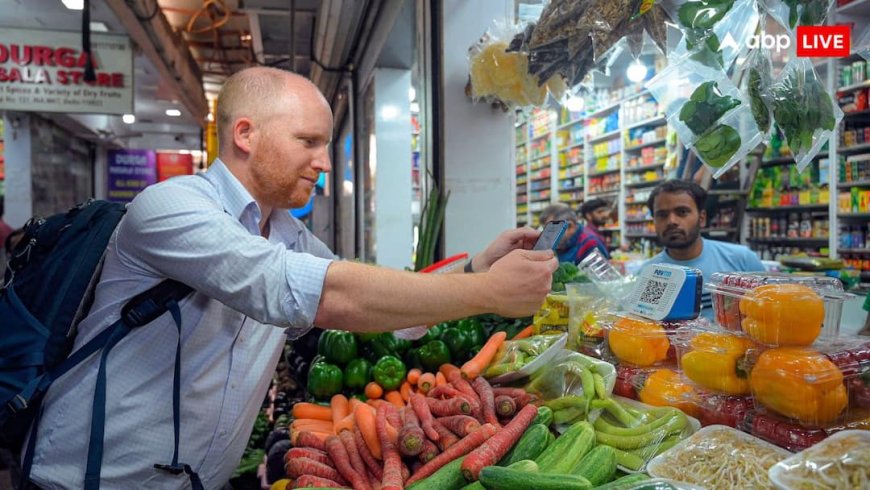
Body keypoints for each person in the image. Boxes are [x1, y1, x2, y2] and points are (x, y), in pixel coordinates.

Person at [24, 67, 558, 488]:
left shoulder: (284, 232)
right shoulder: (170, 207)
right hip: (93, 481)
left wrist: (474, 268)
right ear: (245, 134)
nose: (324, 162)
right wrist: (486, 293)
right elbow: (321, 293)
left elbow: (383, 314)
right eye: (308, 141)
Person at [644, 180, 764, 317]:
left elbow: (768, 312)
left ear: (702, 218)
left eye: (682, 212)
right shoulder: (646, 275)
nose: (672, 221)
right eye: (662, 215)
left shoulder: (742, 260)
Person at [539, 203, 609, 264]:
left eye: (552, 230)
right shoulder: (562, 243)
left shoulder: (590, 243)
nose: (547, 236)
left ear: (570, 226)